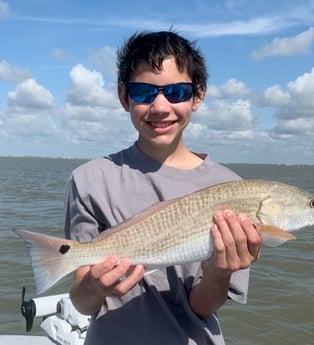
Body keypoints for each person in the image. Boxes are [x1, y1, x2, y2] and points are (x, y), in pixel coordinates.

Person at [64, 30, 261, 345]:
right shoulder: (89, 179)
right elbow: (83, 302)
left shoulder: (231, 188)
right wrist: (96, 286)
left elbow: (202, 306)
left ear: (197, 96)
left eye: (176, 92)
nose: (159, 106)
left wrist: (219, 273)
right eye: (143, 92)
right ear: (123, 97)